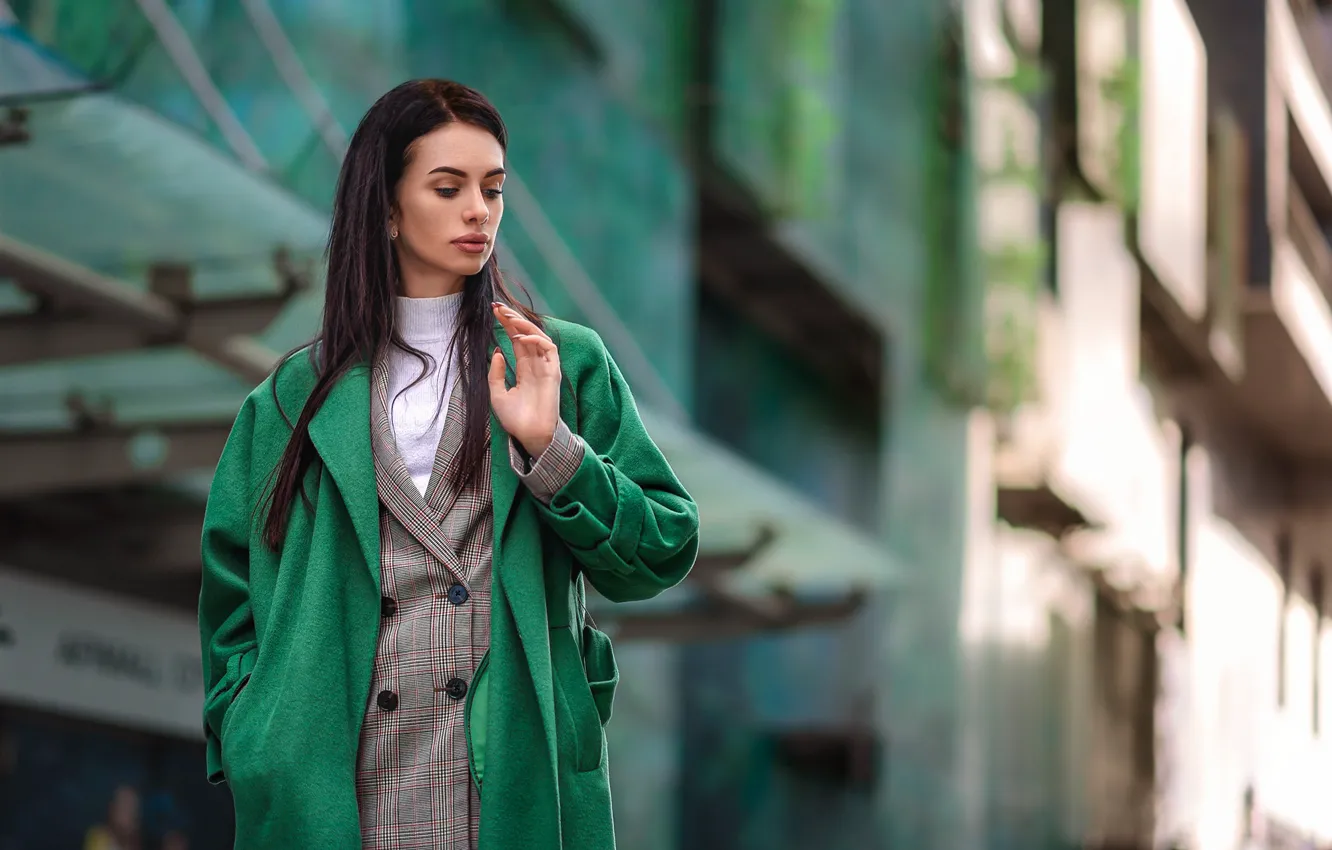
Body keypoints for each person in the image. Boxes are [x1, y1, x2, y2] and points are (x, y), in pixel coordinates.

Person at [197, 79, 699, 850]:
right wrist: (255, 734)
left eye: (493, 189)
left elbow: (661, 551)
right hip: (336, 795)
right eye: (448, 186)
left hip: (509, 782)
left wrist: (552, 449)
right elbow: (232, 592)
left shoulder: (559, 363)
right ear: (388, 208)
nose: (479, 211)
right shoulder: (290, 397)